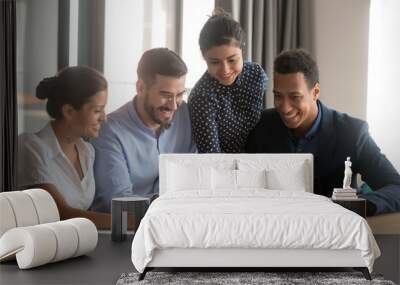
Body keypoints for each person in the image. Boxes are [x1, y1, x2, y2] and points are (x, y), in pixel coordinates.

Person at [246, 49, 400, 216]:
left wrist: (360, 205)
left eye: (295, 97)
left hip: (335, 235)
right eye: (278, 96)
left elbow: (395, 187)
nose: (284, 107)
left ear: (315, 92)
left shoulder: (352, 133)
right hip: (273, 231)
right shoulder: (260, 126)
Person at [91, 48, 197, 213]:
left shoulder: (187, 115)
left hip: (177, 221)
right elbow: (116, 201)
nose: (173, 105)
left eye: (179, 95)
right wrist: (171, 202)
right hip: (127, 231)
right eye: (165, 95)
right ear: (140, 87)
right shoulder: (110, 131)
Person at [18, 66, 112, 229]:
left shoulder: (87, 152)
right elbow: (61, 214)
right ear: (68, 111)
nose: (104, 118)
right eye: (97, 110)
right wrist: (130, 222)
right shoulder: (32, 148)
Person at [188, 9, 267, 153]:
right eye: (214, 62)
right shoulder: (201, 97)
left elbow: (266, 124)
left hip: (261, 158)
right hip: (225, 169)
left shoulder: (256, 75)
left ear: (242, 49)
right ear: (204, 57)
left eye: (232, 60)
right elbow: (212, 157)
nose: (225, 70)